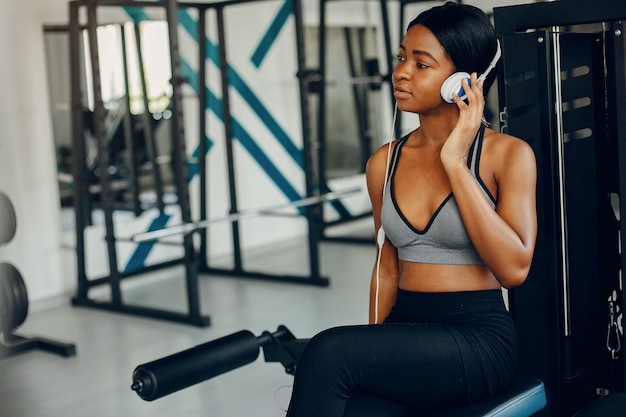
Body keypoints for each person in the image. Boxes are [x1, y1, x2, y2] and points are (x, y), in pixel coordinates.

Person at [285, 2, 537, 416]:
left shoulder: (506, 156)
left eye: (422, 64)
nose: (401, 72)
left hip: (476, 341)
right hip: (406, 331)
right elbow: (387, 267)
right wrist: (374, 350)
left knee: (326, 352)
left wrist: (455, 162)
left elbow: (514, 270)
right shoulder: (383, 162)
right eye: (402, 57)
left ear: (463, 81)